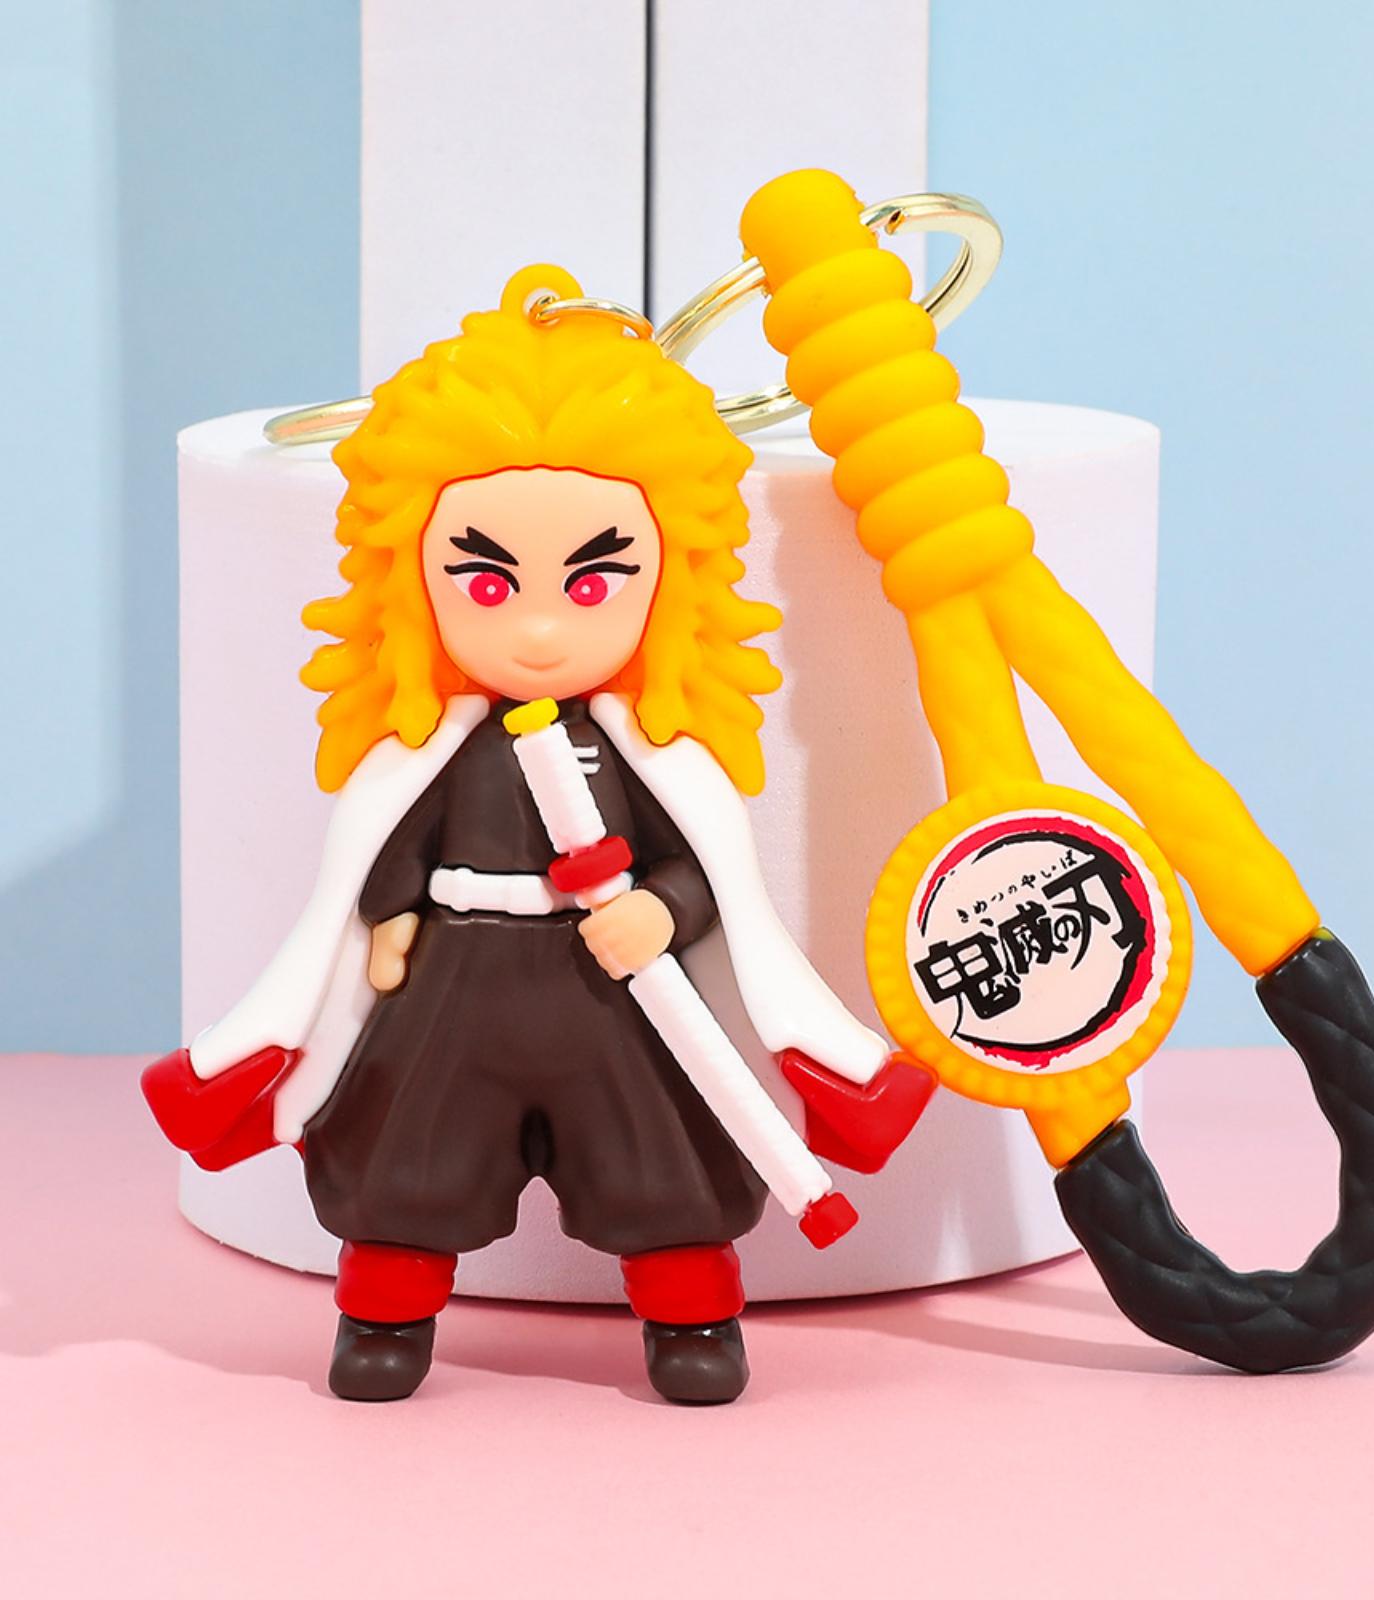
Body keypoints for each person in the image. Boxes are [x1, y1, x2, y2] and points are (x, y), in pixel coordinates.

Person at [142, 265, 933, 1404]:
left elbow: (702, 871)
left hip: (614, 991)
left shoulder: (657, 753)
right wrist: (388, 919)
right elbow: (387, 849)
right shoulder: (427, 748)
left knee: (661, 1159)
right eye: (488, 583)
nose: (544, 629)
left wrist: (660, 908)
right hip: (455, 985)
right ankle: (385, 1315)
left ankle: (692, 1319)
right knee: (408, 1157)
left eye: (595, 583)